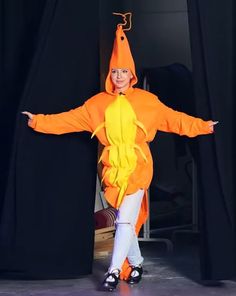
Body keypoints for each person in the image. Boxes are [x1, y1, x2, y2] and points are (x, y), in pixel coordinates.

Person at [22, 17, 218, 292]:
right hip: (112, 168)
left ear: (131, 74)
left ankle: (113, 272)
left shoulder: (148, 102)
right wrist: (38, 121)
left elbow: (175, 120)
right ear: (110, 75)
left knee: (124, 219)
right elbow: (67, 120)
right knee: (126, 220)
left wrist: (202, 127)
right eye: (115, 71)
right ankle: (135, 263)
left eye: (124, 71)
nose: (119, 76)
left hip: (137, 166)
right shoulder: (97, 104)